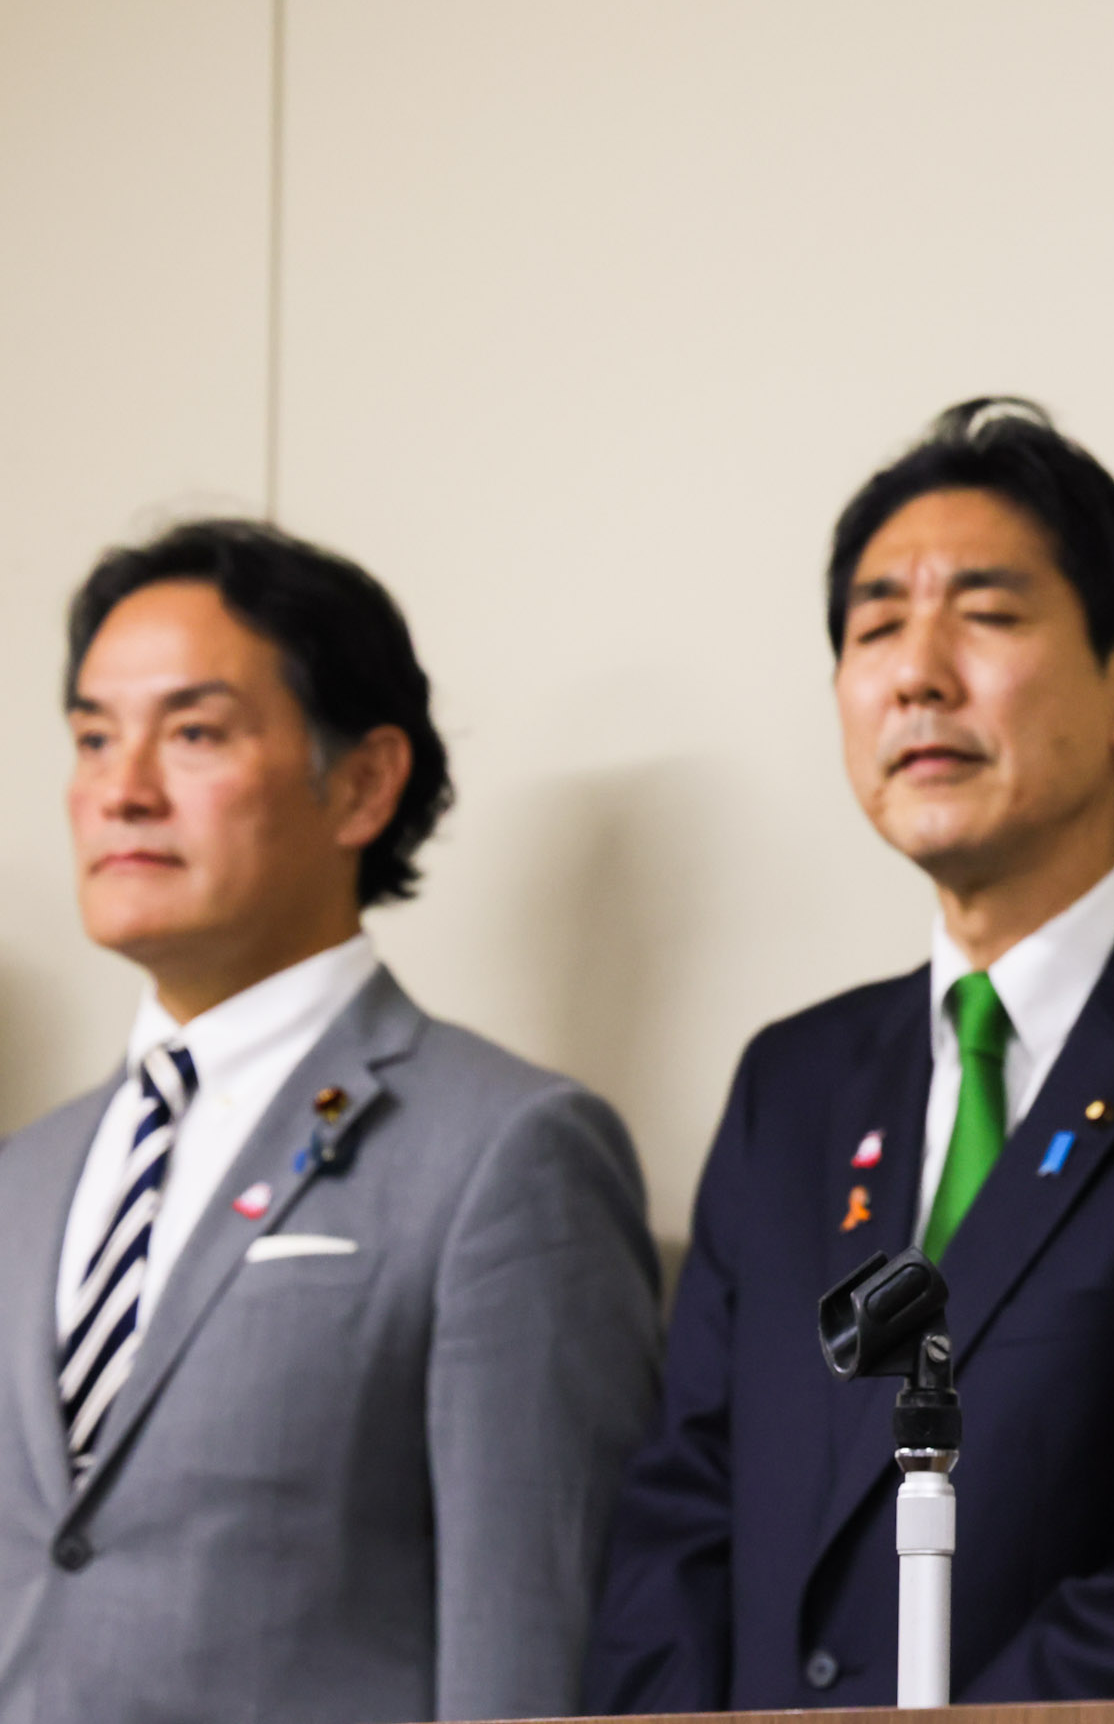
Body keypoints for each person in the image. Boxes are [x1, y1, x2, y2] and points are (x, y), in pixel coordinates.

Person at [586, 398, 1114, 1710]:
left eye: (985, 614)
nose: (916, 675)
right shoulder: (791, 1083)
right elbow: (681, 1517)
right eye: (875, 626)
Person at [0, 521, 663, 1724]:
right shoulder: (23, 1177)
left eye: (193, 733)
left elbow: (522, 1648)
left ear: (361, 783)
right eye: (93, 736)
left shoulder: (507, 1151)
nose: (121, 789)